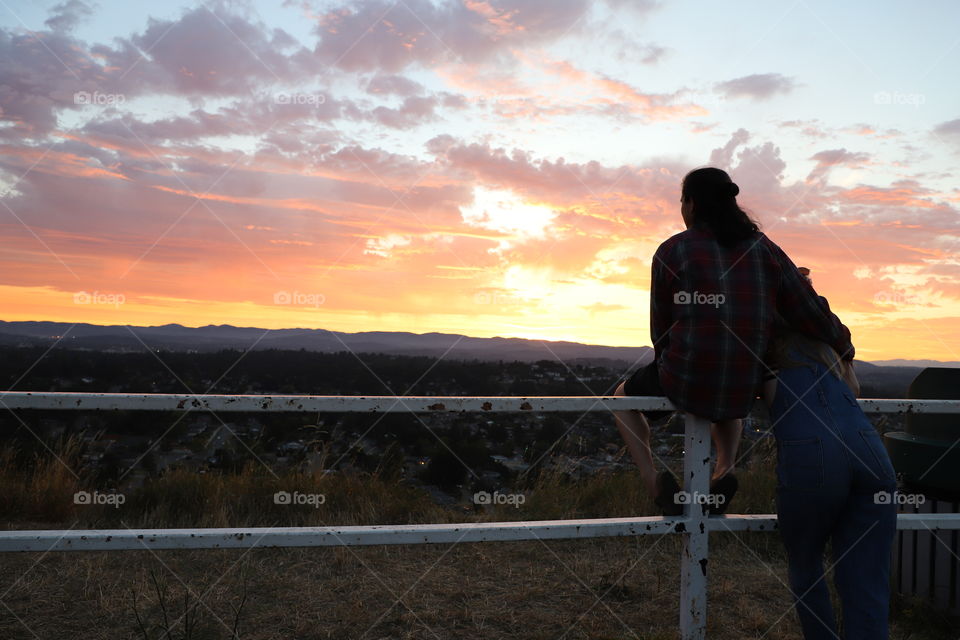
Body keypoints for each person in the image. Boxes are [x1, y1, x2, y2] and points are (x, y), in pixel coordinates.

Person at [612, 166, 854, 516]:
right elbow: (809, 311)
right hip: (743, 382)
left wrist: (670, 364)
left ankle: (654, 483)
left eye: (682, 201)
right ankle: (725, 469)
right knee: (728, 391)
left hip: (684, 375)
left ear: (691, 204)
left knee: (621, 399)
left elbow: (660, 332)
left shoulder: (672, 250)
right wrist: (844, 345)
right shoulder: (765, 249)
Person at [761, 327, 897, 639]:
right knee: (868, 575)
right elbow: (854, 388)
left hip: (810, 455)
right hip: (870, 452)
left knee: (806, 564)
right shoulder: (828, 347)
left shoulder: (764, 349)